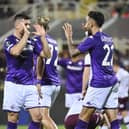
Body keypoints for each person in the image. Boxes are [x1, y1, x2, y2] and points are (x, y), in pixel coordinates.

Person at [63, 11, 120, 129]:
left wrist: (69, 38)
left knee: (83, 118)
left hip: (99, 83)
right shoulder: (108, 38)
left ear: (92, 22)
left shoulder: (92, 39)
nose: (85, 23)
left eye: (87, 20)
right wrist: (88, 32)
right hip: (112, 81)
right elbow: (97, 48)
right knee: (113, 118)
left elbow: (73, 55)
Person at [2, 13, 50, 129]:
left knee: (38, 117)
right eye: (26, 24)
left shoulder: (31, 42)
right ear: (18, 25)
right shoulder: (9, 40)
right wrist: (25, 36)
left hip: (30, 84)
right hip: (14, 84)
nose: (28, 27)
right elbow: (15, 52)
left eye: (29, 25)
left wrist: (43, 37)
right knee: (13, 116)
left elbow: (47, 55)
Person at [34, 16, 61, 129]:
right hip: (55, 82)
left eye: (35, 25)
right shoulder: (53, 41)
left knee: (43, 117)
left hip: (45, 83)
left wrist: (38, 80)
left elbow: (41, 59)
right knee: (41, 117)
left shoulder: (38, 40)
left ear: (40, 26)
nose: (33, 27)